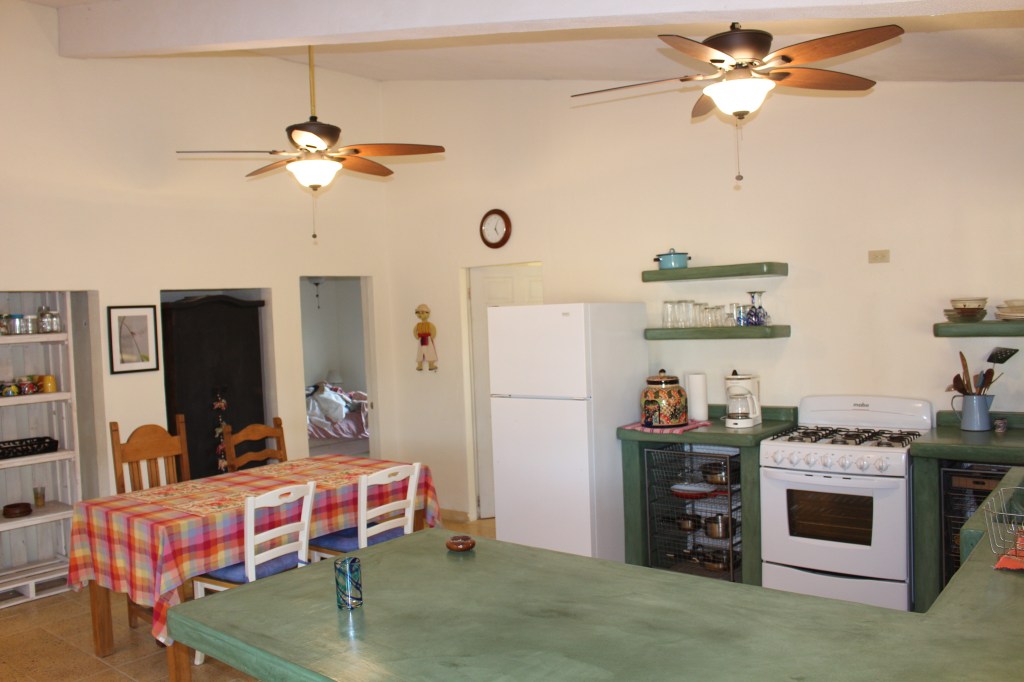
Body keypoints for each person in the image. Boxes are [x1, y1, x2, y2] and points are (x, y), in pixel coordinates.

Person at [413, 304, 438, 371]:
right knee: (420, 352)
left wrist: (431, 337)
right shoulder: (418, 325)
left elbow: (433, 330)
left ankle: (431, 365)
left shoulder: (429, 324)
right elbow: (414, 331)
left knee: (430, 351)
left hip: (427, 339)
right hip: (421, 339)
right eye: (418, 313)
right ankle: (419, 365)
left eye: (422, 312)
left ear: (427, 313)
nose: (420, 315)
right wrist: (417, 336)